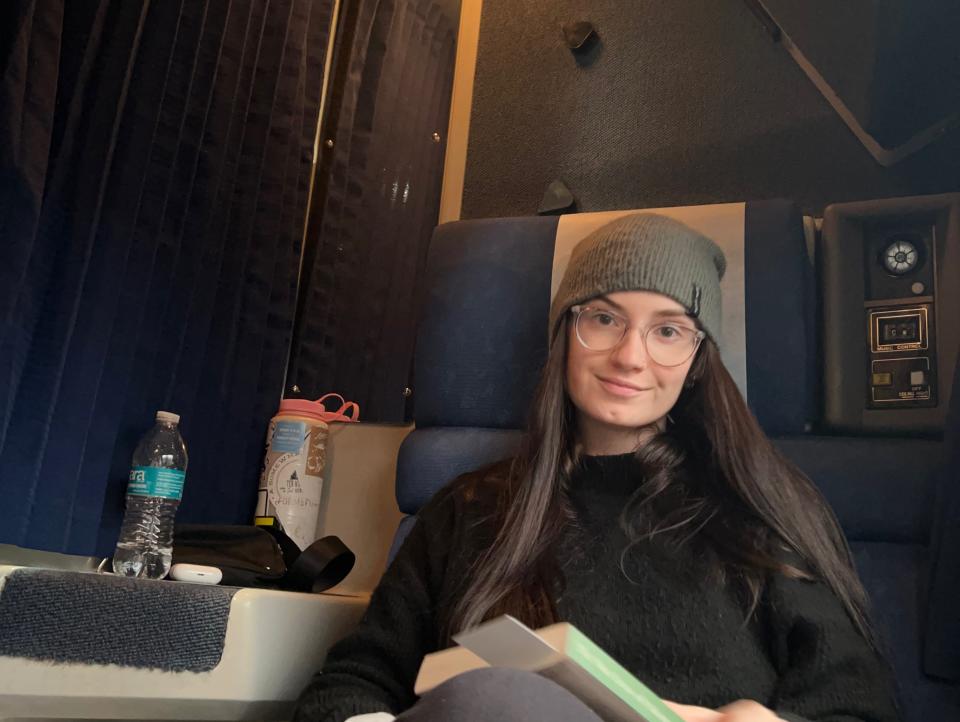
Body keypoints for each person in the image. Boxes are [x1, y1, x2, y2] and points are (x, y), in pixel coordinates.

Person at [293, 214, 900, 722]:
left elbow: (859, 706)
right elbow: (352, 683)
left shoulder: (762, 506)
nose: (630, 357)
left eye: (668, 330)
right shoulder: (467, 510)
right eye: (604, 319)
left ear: (696, 360)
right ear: (566, 330)